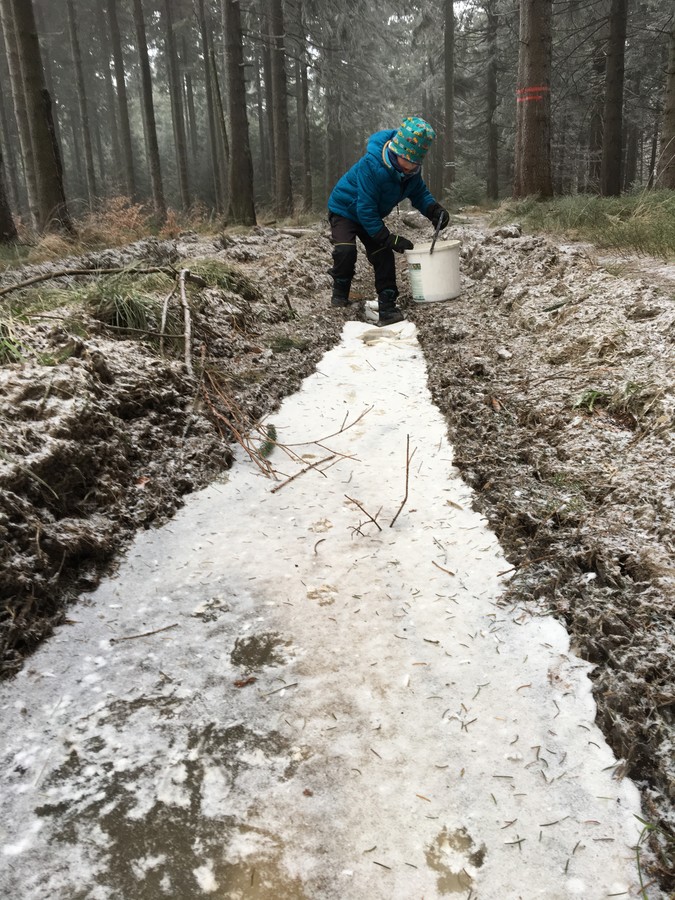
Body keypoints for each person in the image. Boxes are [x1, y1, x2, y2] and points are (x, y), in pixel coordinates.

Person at [327, 116, 449, 327]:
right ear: (396, 151)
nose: (410, 167)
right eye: (407, 161)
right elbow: (364, 209)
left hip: (370, 214)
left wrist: (433, 210)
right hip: (345, 210)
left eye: (415, 163)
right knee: (346, 250)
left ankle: (388, 306)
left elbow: (419, 194)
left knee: (383, 257)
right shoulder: (372, 166)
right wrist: (388, 238)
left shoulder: (410, 173)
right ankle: (340, 289)